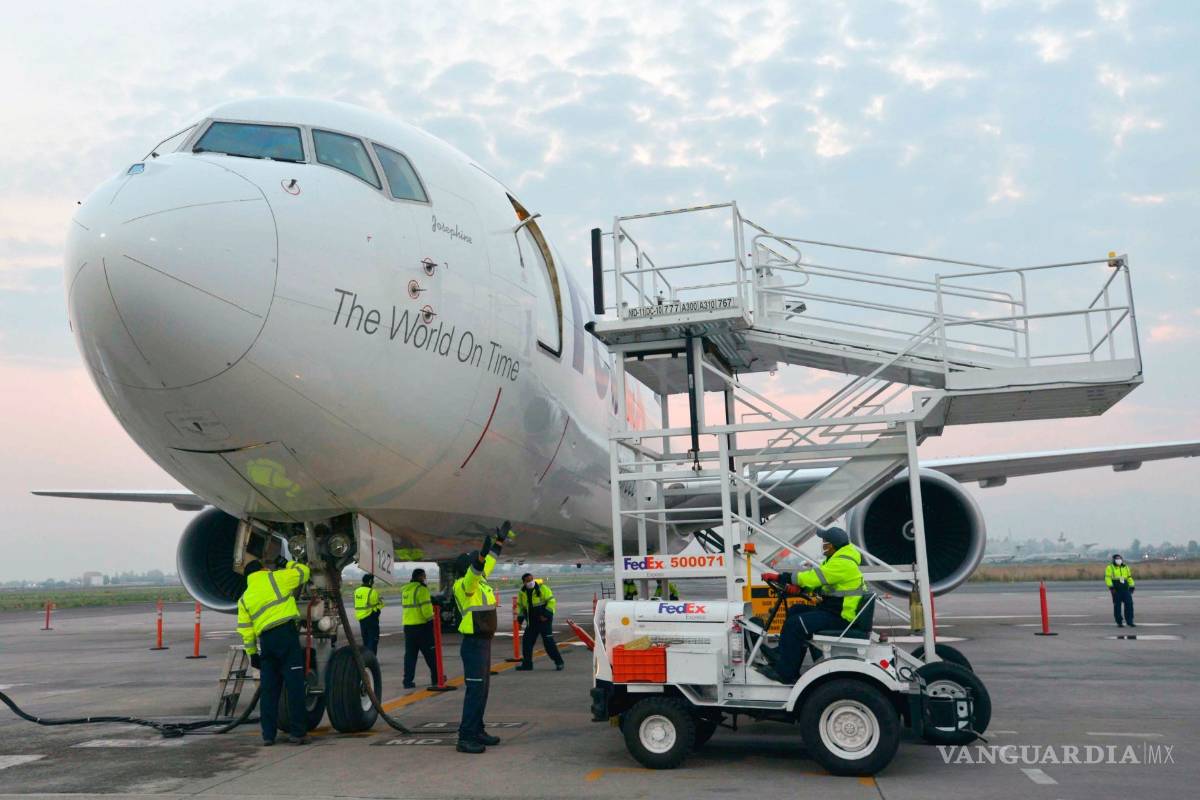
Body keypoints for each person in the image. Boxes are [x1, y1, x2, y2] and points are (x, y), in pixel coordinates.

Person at [759, 526, 865, 683]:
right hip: (835, 610)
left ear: (832, 545)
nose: (823, 544)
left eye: (825, 542)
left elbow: (813, 577)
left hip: (842, 617)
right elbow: (821, 583)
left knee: (796, 625)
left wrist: (782, 578)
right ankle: (785, 655)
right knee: (796, 610)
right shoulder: (838, 560)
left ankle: (786, 674)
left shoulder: (842, 563)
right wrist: (800, 588)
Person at [453, 522, 517, 754]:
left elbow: (487, 564)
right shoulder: (464, 585)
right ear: (467, 568)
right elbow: (476, 571)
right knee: (475, 690)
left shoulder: (479, 581)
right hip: (473, 644)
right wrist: (480, 555)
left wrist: (499, 542)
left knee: (482, 689)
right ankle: (465, 737)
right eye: (473, 561)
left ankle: (478, 729)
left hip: (483, 642)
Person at [237, 556, 312, 746]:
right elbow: (304, 572)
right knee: (295, 686)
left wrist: (252, 653)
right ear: (263, 569)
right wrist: (285, 563)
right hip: (286, 636)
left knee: (269, 691)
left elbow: (246, 630)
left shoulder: (244, 599)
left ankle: (268, 735)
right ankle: (298, 732)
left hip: (266, 642)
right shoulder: (276, 578)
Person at [515, 573, 564, 672]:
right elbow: (520, 607)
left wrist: (546, 615)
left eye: (531, 579)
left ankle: (559, 662)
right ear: (524, 582)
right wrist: (519, 621)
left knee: (548, 643)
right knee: (527, 642)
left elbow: (551, 601)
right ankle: (527, 664)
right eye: (528, 580)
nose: (531, 582)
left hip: (544, 621)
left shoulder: (543, 588)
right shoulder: (522, 592)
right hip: (532, 622)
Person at [401, 568, 438, 688]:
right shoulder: (422, 590)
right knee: (430, 654)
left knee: (410, 656)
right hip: (422, 627)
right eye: (424, 577)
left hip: (408, 627)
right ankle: (436, 678)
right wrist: (432, 622)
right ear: (420, 577)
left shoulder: (405, 590)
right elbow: (426, 611)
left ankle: (407, 681)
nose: (425, 579)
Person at [354, 573, 384, 655]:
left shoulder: (357, 591)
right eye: (373, 581)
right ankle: (371, 658)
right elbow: (379, 605)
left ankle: (365, 658)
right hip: (370, 618)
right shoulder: (372, 591)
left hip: (361, 618)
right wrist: (380, 601)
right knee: (373, 640)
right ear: (370, 581)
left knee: (365, 640)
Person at [1105, 553, 1136, 628]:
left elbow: (1129, 577)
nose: (1119, 560)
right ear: (1114, 560)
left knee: (1129, 604)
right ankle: (1119, 622)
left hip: (1125, 589)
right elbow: (1107, 578)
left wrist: (1132, 586)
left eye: (1120, 558)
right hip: (1116, 590)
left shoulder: (1125, 567)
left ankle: (1130, 621)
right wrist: (1111, 587)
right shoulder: (1110, 567)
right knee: (1117, 606)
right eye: (1117, 559)